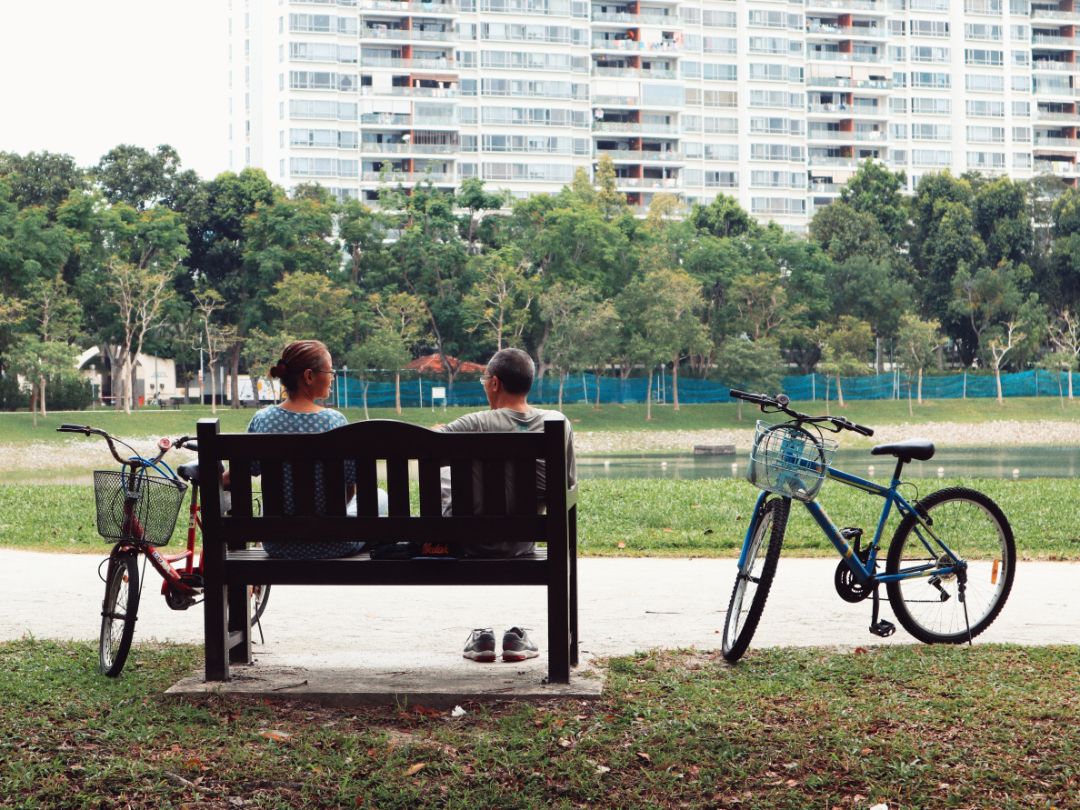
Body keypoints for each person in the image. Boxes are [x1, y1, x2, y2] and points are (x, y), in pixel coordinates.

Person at [439, 348, 577, 663]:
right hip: (521, 543)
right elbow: (567, 486)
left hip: (468, 542)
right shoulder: (558, 423)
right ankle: (531, 647)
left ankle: (479, 641)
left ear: (495, 383)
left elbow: (425, 451)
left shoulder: (473, 423)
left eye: (485, 380)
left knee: (448, 479)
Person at [232, 339, 385, 559]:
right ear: (309, 376)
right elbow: (351, 489)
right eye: (329, 370)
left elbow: (239, 474)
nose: (332, 376)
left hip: (278, 544)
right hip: (336, 543)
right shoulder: (335, 422)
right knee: (379, 496)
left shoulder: (263, 420)